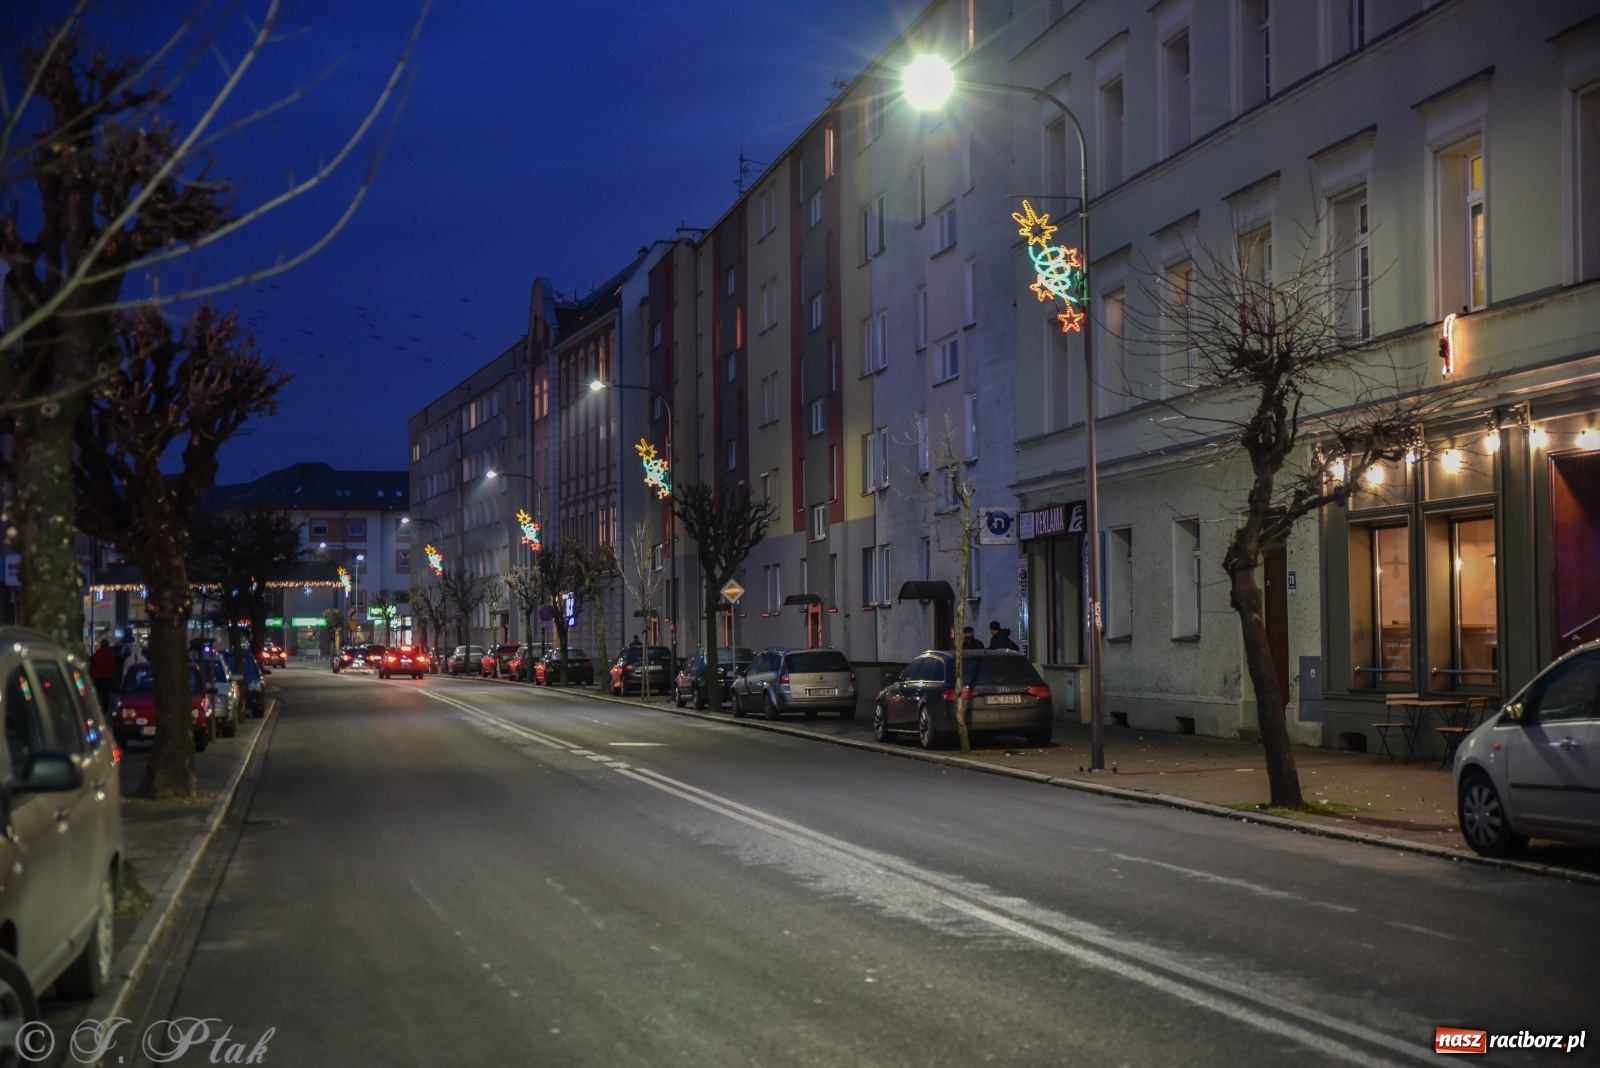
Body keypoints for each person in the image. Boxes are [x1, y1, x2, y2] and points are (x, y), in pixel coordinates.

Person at [91, 638, 118, 711]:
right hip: (108, 676)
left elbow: (93, 665)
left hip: (98, 676)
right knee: (106, 694)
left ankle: (97, 707)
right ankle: (105, 709)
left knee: (98, 693)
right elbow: (114, 665)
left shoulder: (97, 654)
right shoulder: (110, 654)